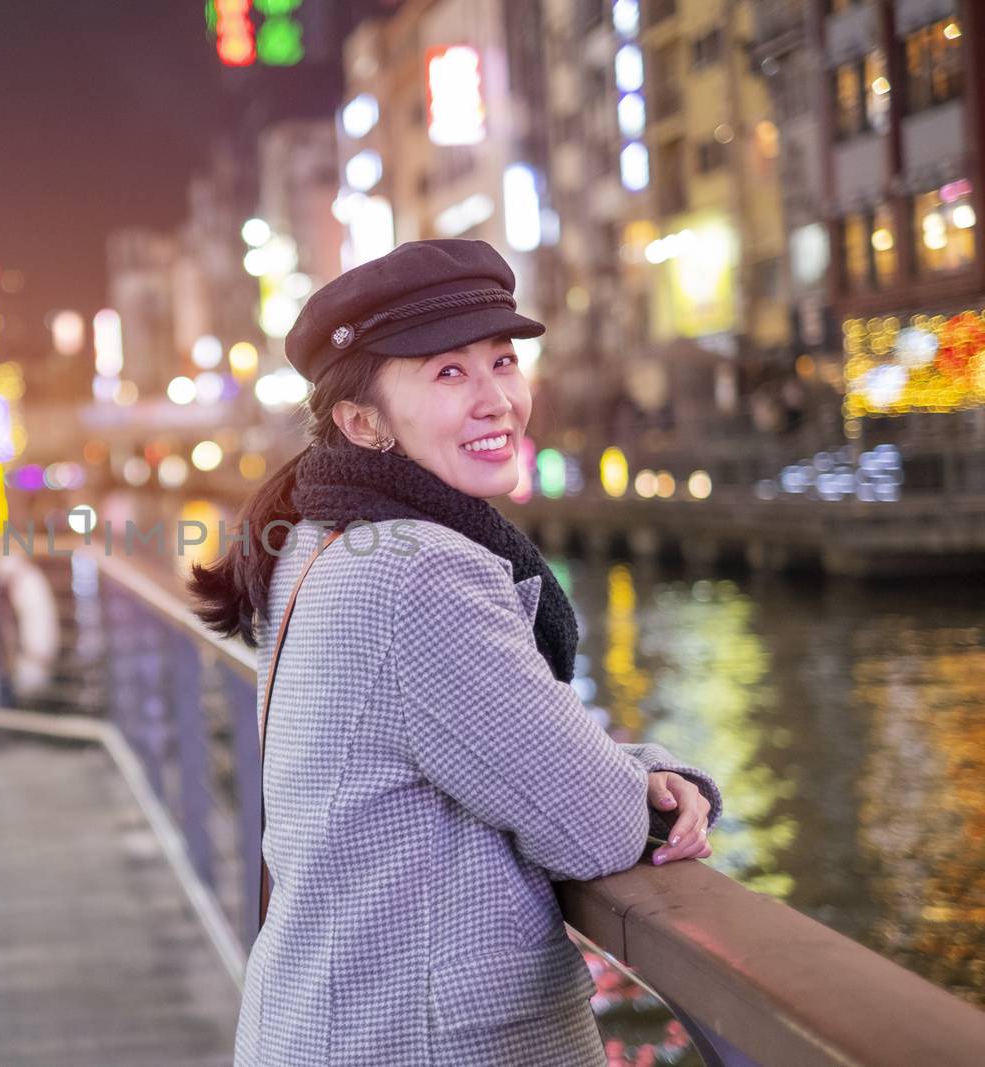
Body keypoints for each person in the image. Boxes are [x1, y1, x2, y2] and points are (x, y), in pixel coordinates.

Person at [187, 239, 722, 1066]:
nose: (497, 399)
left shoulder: (323, 538)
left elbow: (495, 754)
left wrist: (615, 767)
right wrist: (658, 779)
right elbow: (596, 824)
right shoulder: (420, 571)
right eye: (447, 373)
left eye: (502, 361)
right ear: (362, 422)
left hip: (328, 1021)